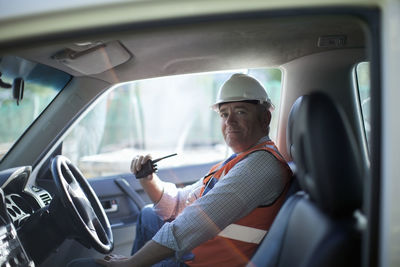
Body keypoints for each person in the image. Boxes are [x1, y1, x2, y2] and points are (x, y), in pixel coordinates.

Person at [69, 73, 292, 267]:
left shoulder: (261, 165)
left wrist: (132, 263)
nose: (229, 121)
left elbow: (195, 221)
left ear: (265, 118)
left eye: (241, 112)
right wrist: (148, 179)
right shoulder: (238, 160)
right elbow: (179, 204)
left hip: (203, 264)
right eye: (224, 114)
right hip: (194, 255)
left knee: (77, 266)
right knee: (148, 214)